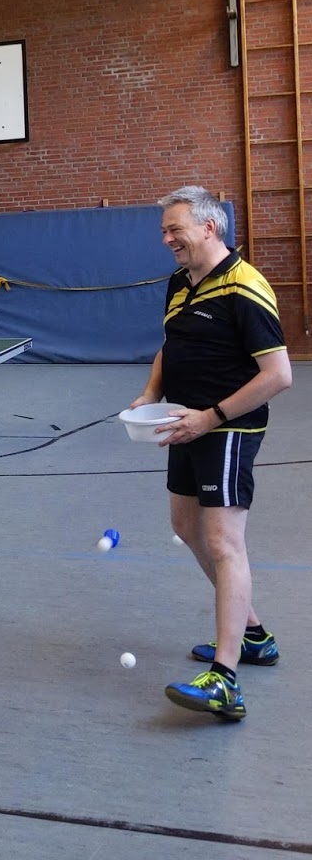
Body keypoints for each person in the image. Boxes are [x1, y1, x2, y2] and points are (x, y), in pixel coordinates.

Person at [132, 186, 291, 721]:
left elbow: (279, 375)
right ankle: (253, 634)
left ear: (210, 227)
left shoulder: (247, 288)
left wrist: (212, 417)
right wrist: (153, 393)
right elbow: (170, 344)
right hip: (185, 422)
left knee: (224, 541)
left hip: (228, 428)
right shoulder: (181, 282)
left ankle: (225, 680)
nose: (166, 239)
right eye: (164, 230)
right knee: (185, 525)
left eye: (175, 228)